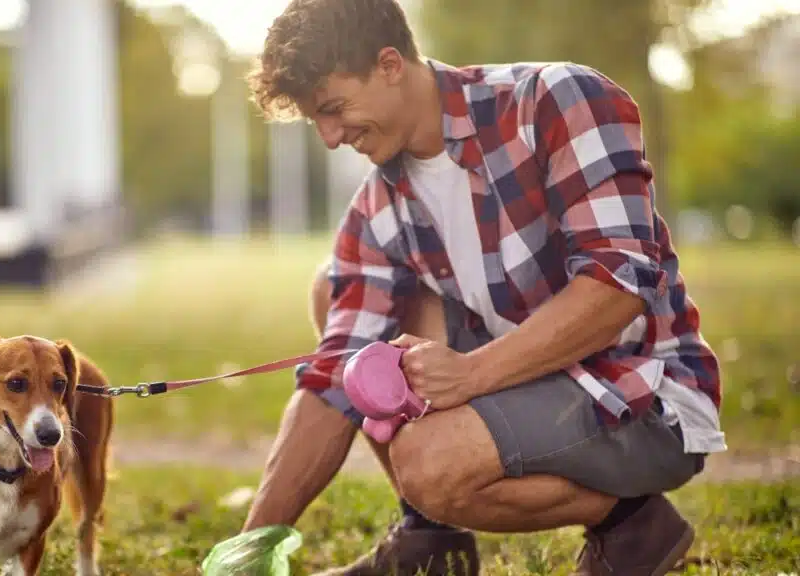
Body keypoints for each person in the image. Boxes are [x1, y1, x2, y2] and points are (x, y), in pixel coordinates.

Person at [239, 0, 727, 575]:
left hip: (640, 391)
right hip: (525, 377)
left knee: (429, 465)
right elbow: (334, 379)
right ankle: (431, 541)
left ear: (390, 64)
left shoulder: (555, 101)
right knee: (336, 293)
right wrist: (248, 548)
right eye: (314, 119)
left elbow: (617, 288)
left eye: (334, 108)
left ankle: (632, 525)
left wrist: (470, 375)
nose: (327, 137)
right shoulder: (379, 206)